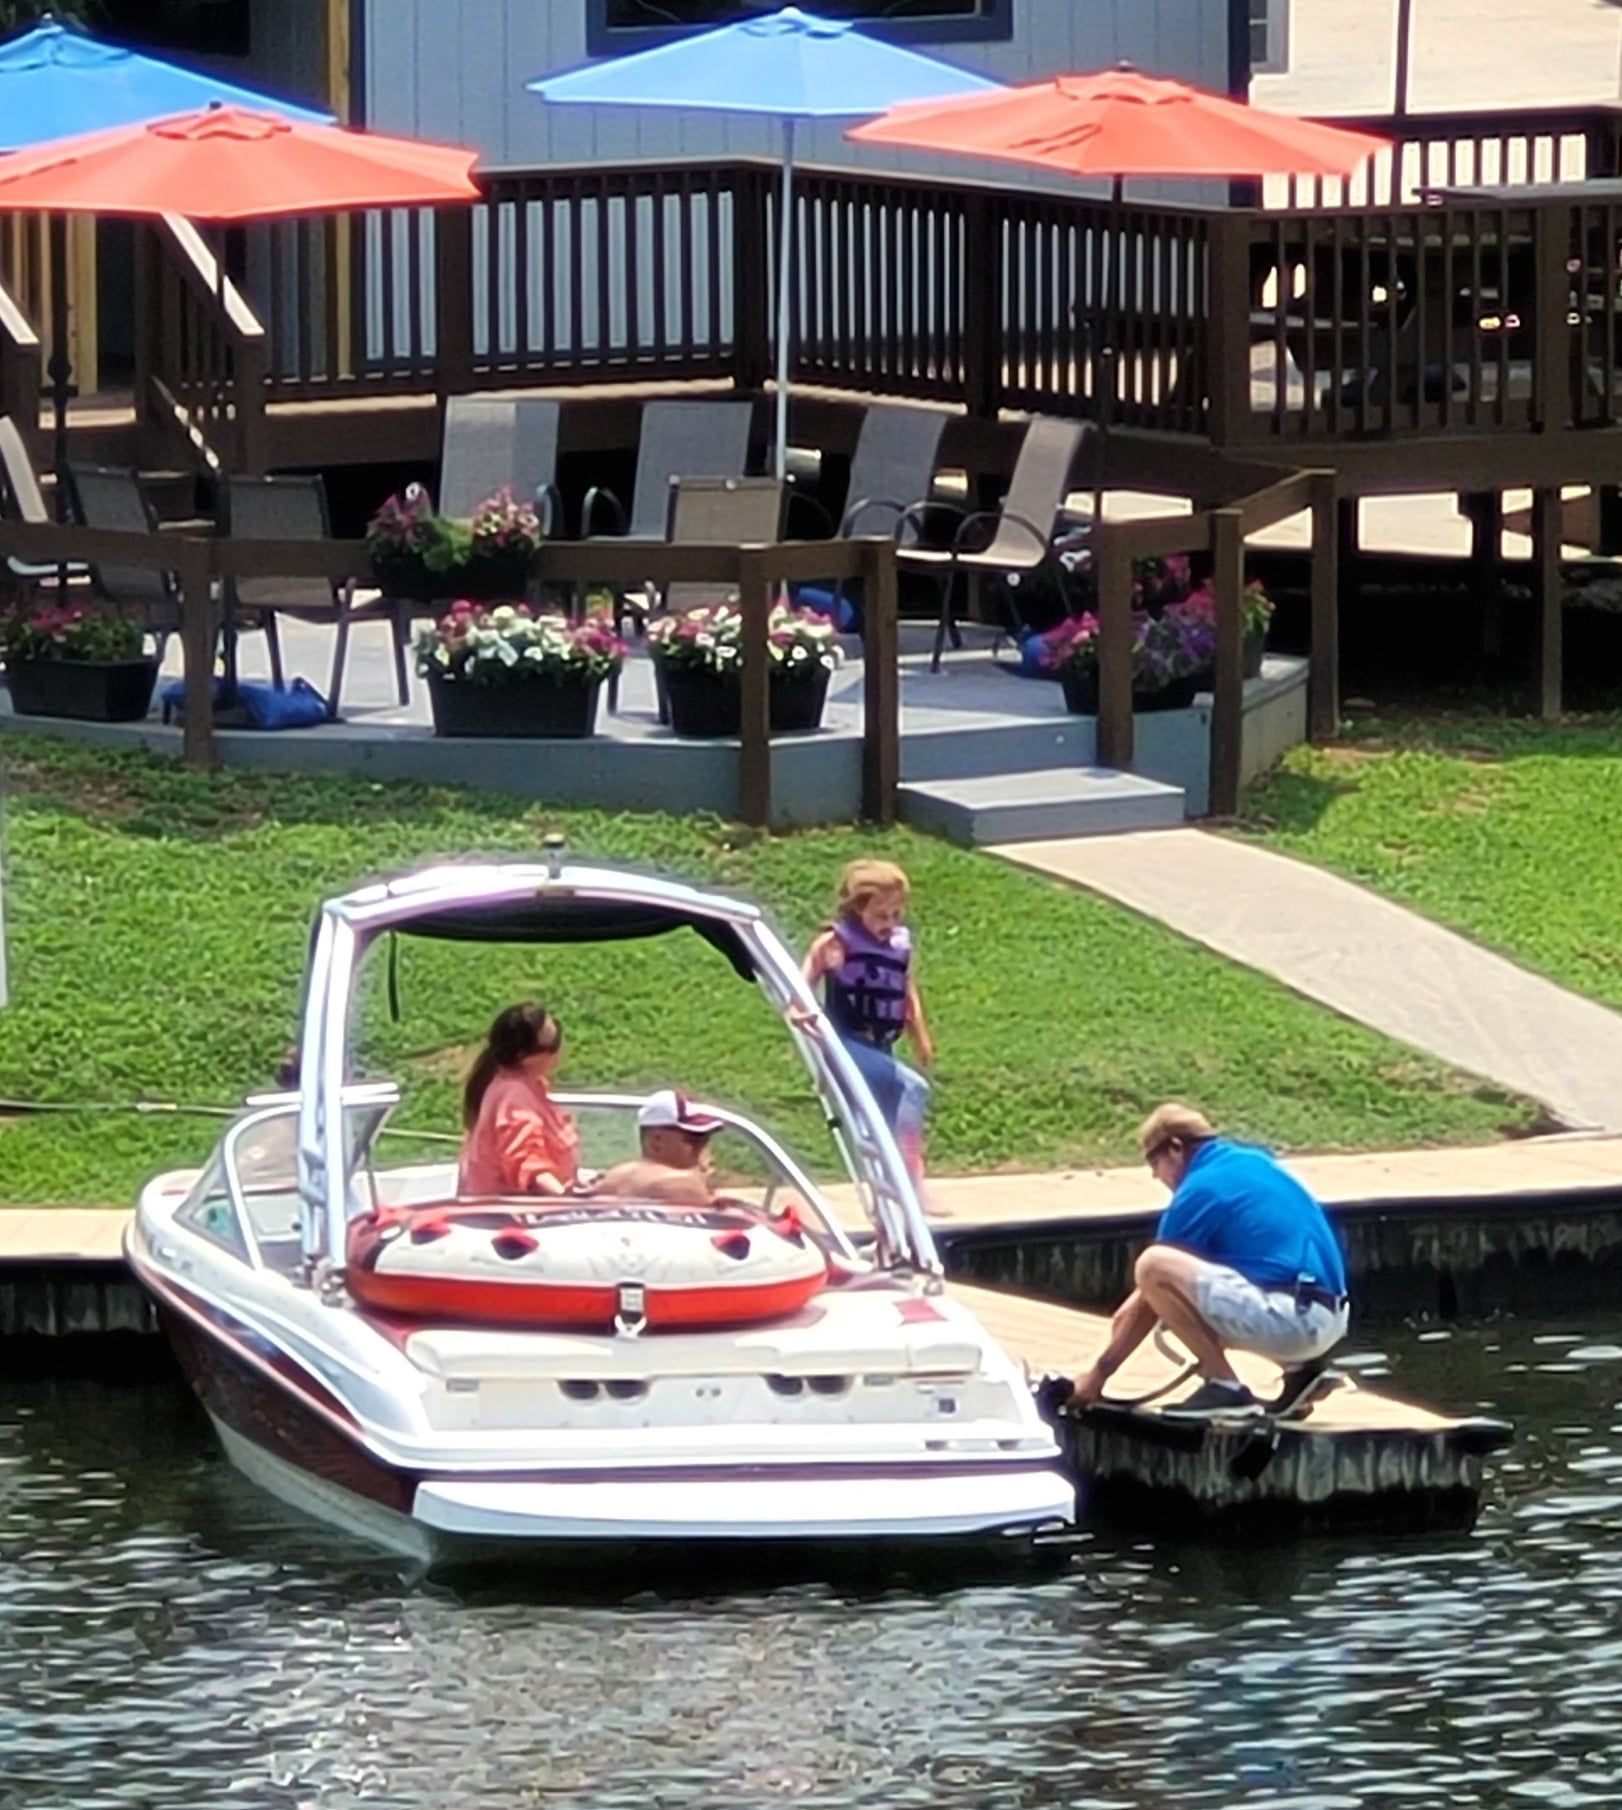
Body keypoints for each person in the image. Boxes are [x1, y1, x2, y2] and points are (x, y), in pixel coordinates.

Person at [1070, 1104, 1350, 1419]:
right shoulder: (1252, 1162)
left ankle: (1224, 1386)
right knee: (1182, 1297)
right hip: (1328, 1317)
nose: (1154, 1175)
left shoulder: (1200, 1189)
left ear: (1174, 1149)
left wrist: (1097, 1376)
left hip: (1292, 1321)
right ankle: (1301, 1373)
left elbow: (1148, 1297)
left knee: (1154, 1266)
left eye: (1153, 1162)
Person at [802, 858, 934, 1185]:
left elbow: (907, 993)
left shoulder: (898, 947)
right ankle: (911, 1188)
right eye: (880, 915)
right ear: (857, 909)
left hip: (882, 1046)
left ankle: (890, 1197)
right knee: (913, 1088)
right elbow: (799, 985)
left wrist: (921, 1038)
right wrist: (800, 1014)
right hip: (845, 1042)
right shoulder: (834, 943)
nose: (889, 922)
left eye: (896, 914)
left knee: (882, 1123)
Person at [458, 1003, 579, 1197]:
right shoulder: (514, 1097)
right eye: (554, 1042)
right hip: (515, 1219)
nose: (561, 1046)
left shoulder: (522, 1086)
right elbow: (527, 1163)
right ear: (526, 1057)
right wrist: (566, 1199)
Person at [592, 1089, 723, 1207]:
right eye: (695, 1140)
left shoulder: (613, 1178)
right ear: (657, 1141)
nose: (703, 1149)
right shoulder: (682, 1185)